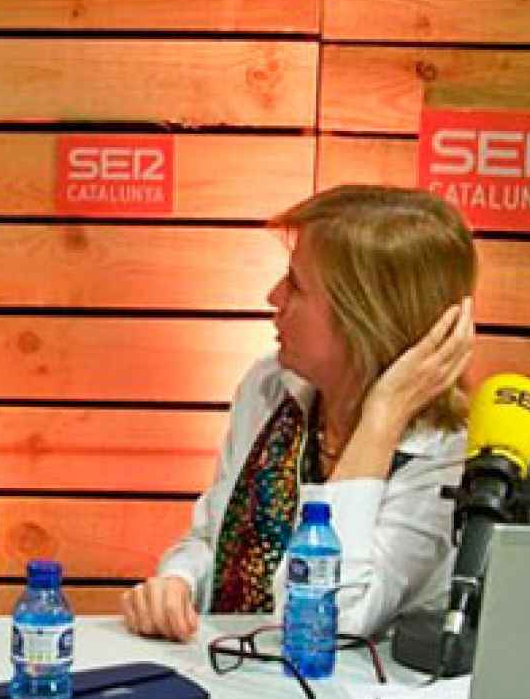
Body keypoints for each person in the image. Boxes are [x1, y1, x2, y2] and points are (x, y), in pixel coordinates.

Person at [122, 184, 475, 643]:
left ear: (363, 319)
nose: (274, 297)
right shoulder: (270, 389)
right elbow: (213, 540)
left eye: (297, 285)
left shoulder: (445, 453)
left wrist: (381, 418)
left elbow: (330, 620)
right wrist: (177, 582)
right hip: (225, 671)